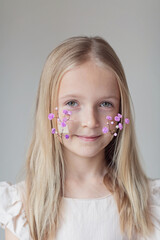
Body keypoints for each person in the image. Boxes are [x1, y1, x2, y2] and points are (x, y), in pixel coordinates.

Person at [0, 36, 160, 240]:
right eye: (72, 103)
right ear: (48, 109)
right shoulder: (23, 208)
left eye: (105, 104)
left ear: (122, 108)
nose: (90, 121)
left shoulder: (149, 203)